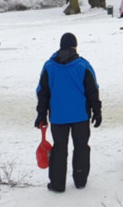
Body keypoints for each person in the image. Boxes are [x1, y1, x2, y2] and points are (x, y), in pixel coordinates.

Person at [34, 32, 102, 191]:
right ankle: (80, 180)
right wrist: (97, 111)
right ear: (74, 46)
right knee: (81, 147)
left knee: (59, 149)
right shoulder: (83, 65)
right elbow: (93, 90)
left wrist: (41, 115)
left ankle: (57, 185)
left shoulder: (49, 66)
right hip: (81, 116)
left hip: (58, 117)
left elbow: (42, 93)